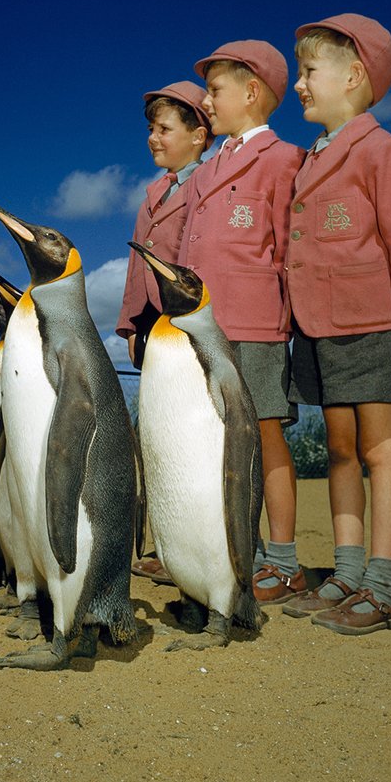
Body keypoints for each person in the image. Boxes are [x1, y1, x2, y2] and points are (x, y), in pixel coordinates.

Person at [281, 13, 391, 635]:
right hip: (315, 328)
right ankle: (344, 573)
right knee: (339, 450)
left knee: (379, 449)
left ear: (355, 75)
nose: (299, 85)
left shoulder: (386, 153)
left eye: (309, 71)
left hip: (370, 322)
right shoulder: (309, 161)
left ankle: (382, 584)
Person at [177, 40, 306, 604]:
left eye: (215, 90)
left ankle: (283, 561)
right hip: (200, 329)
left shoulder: (285, 159)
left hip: (256, 326)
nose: (206, 101)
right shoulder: (204, 172)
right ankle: (236, 551)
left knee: (265, 435)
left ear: (252, 92)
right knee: (213, 440)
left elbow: (291, 248)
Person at [117, 80, 212, 584]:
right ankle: (167, 545)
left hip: (186, 325)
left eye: (165, 128)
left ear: (199, 135)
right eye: (151, 128)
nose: (154, 137)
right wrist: (130, 322)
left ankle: (205, 546)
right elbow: (138, 267)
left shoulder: (208, 185)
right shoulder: (154, 192)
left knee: (194, 437)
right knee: (158, 438)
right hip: (155, 329)